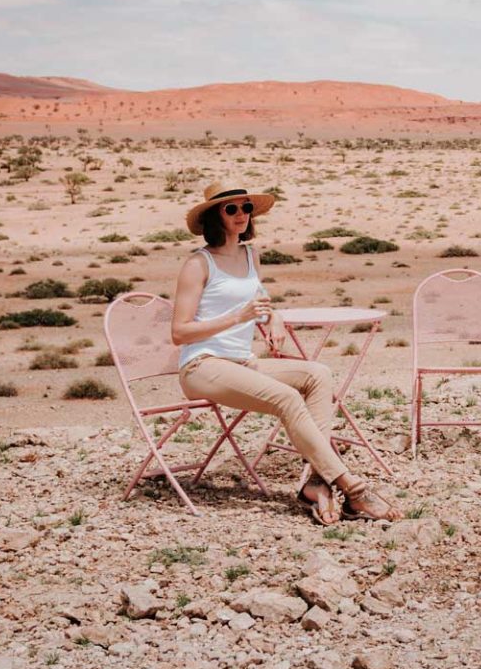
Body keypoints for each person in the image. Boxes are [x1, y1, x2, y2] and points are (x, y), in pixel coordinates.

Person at [171, 181, 402, 524]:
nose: (241, 215)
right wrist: (238, 318)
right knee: (287, 398)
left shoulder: (251, 255)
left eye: (246, 208)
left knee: (317, 374)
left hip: (241, 363)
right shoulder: (199, 263)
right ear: (213, 217)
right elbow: (179, 332)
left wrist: (274, 316)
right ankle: (352, 488)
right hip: (202, 366)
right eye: (231, 209)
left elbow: (259, 300)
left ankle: (315, 483)